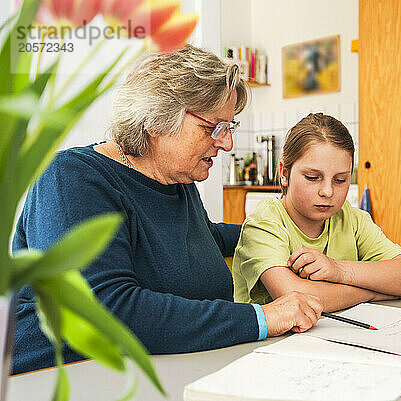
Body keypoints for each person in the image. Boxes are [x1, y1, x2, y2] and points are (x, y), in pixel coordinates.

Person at [12, 46, 322, 374]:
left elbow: (204, 239)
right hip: (57, 377)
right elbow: (106, 311)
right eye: (212, 128)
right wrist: (263, 318)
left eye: (230, 126)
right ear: (156, 121)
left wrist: (287, 231)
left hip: (161, 368)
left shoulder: (177, 180)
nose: (227, 143)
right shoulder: (71, 179)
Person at [232, 113, 401, 312]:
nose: (327, 191)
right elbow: (295, 298)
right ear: (284, 173)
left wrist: (339, 270)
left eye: (340, 180)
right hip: (273, 343)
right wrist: (371, 293)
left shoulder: (353, 219)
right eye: (312, 177)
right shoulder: (263, 223)